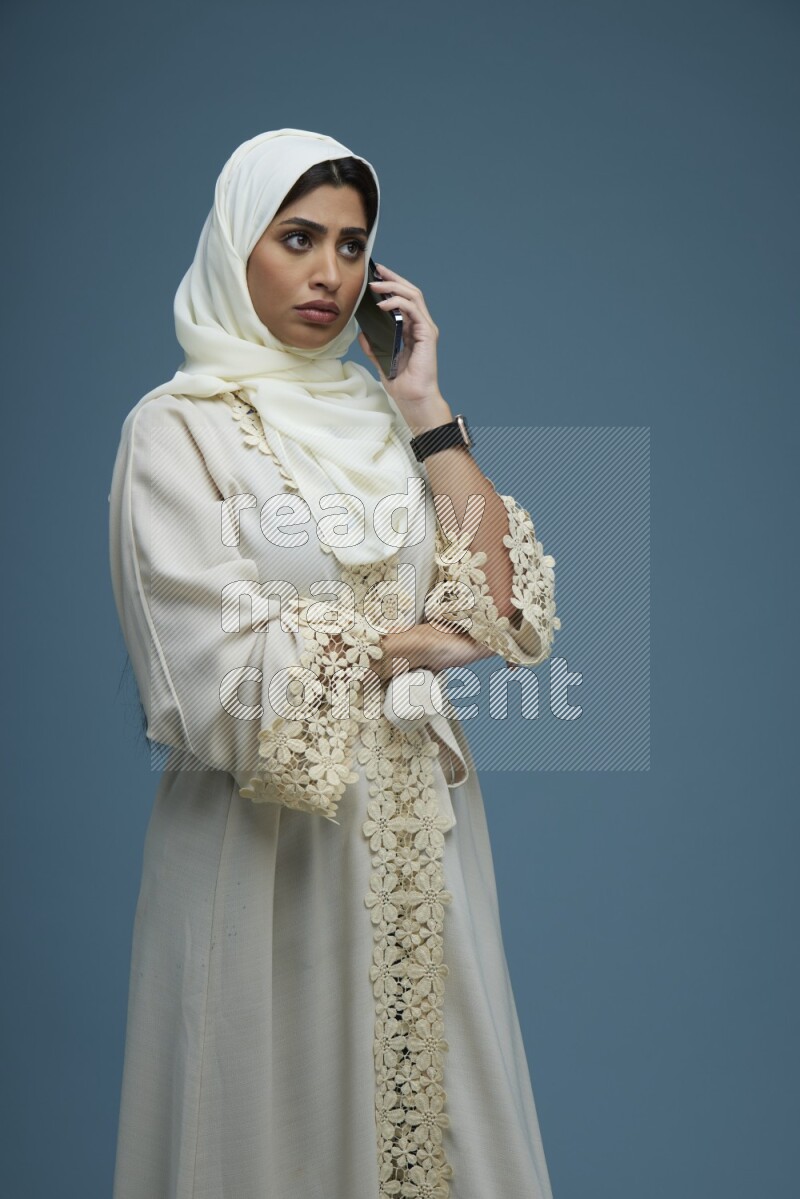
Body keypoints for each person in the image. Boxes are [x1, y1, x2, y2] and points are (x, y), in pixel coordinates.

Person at [108, 127, 560, 1199]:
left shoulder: (382, 421)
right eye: (298, 238)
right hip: (265, 846)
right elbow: (206, 669)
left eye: (353, 247)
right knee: (273, 1130)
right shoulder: (177, 432)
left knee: (446, 1125)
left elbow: (500, 602)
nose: (330, 273)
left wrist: (423, 405)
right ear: (236, 247)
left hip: (420, 843)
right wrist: (409, 643)